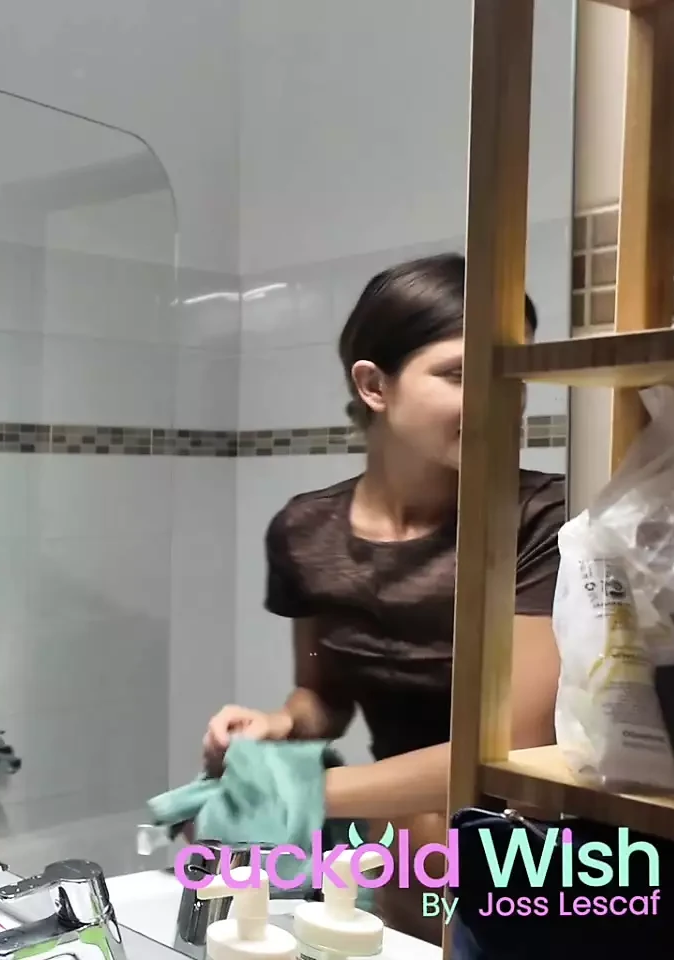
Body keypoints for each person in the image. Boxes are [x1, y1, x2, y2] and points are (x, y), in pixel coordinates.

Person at [200, 253, 565, 942]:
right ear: (373, 385)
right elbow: (323, 692)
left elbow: (515, 746)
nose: (502, 397)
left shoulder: (544, 520)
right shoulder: (306, 532)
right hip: (400, 862)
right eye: (460, 373)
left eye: (513, 372)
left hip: (530, 865)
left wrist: (296, 792)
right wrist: (277, 726)